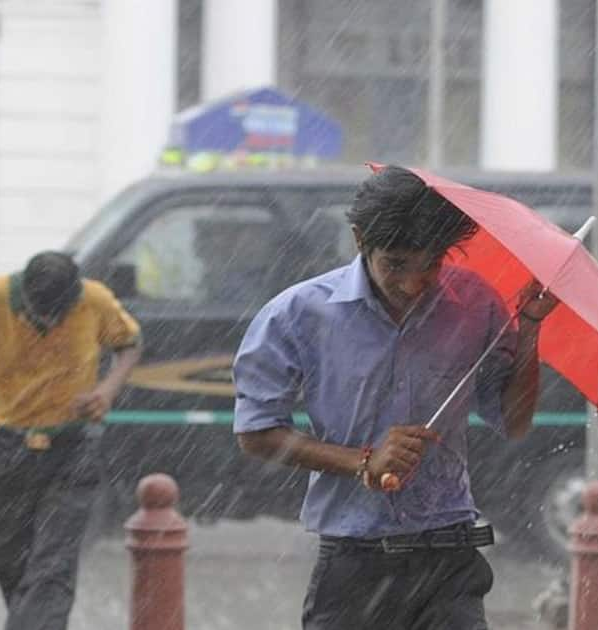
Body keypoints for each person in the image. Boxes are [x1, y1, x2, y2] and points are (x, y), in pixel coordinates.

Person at [232, 165, 558, 629]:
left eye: (431, 266)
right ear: (360, 239)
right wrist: (363, 462)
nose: (412, 284)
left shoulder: (474, 303)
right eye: (397, 264)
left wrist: (529, 330)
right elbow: (255, 434)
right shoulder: (297, 315)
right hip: (354, 563)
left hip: (450, 559)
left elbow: (514, 421)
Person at [0, 251, 142, 630]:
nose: (49, 321)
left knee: (53, 568)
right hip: (8, 450)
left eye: (59, 314)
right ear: (26, 294)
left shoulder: (94, 300)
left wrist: (107, 390)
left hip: (71, 450)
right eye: (41, 313)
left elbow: (130, 345)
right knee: (13, 567)